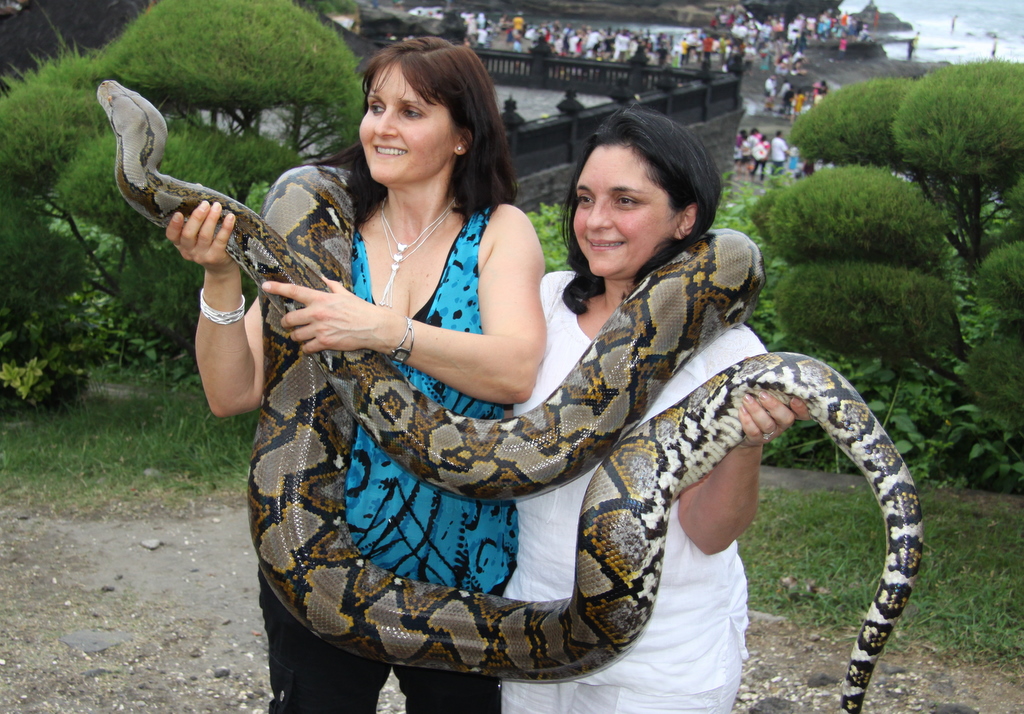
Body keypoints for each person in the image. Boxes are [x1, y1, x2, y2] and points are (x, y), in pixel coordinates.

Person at [165, 37, 546, 713]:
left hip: (461, 565)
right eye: (375, 107)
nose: (382, 127)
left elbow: (515, 370)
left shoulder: (497, 231)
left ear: (462, 135)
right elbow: (232, 393)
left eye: (411, 111)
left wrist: (383, 330)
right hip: (314, 565)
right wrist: (221, 275)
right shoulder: (321, 232)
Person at [501, 106, 807, 714]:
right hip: (536, 625)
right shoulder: (542, 303)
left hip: (665, 652)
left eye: (626, 201)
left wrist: (745, 444)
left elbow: (710, 533)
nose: (596, 221)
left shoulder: (730, 353)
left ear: (685, 218)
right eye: (585, 199)